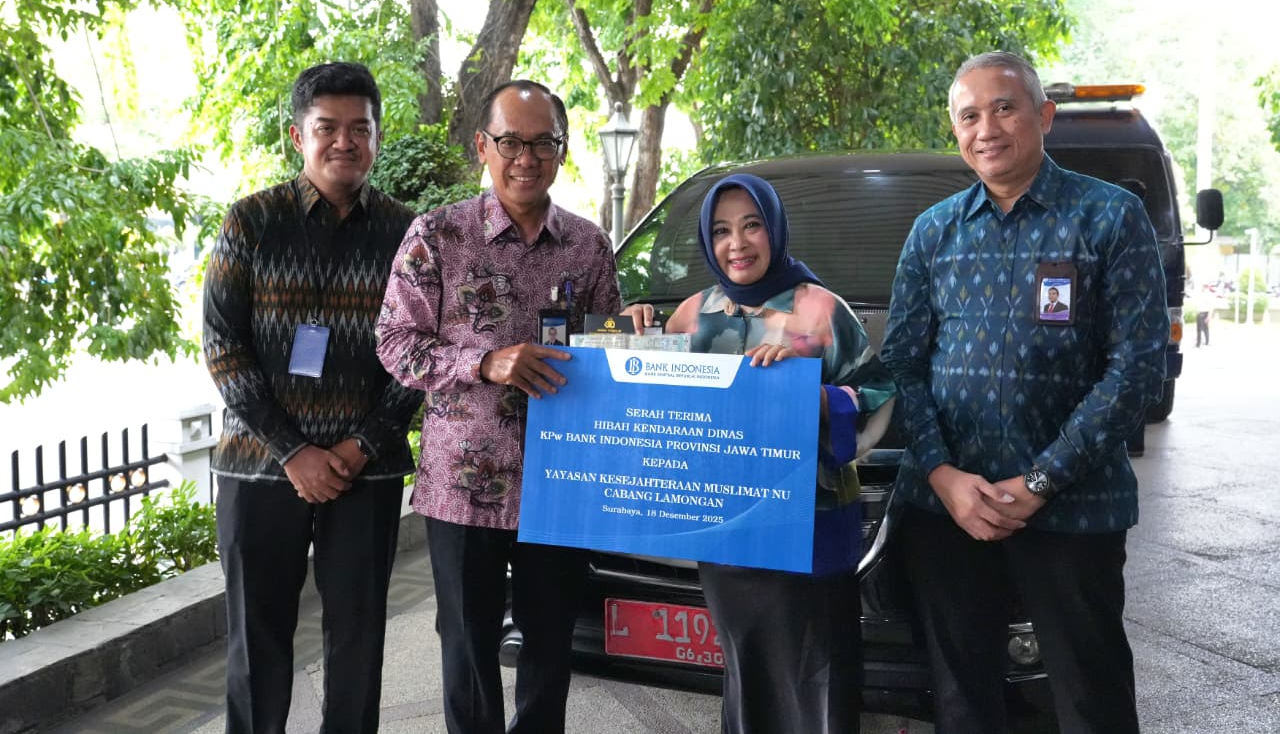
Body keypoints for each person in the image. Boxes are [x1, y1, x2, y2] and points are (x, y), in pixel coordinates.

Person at [880, 51, 1168, 734]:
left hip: (1075, 508)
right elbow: (903, 364)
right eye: (969, 115)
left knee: (1090, 697)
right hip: (948, 509)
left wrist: (1041, 480)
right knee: (961, 700)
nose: (986, 128)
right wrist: (943, 475)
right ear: (955, 130)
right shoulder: (934, 231)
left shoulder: (1110, 217)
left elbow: (1136, 368)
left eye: (1004, 108)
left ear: (1044, 115)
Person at [375, 80, 622, 734]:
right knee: (467, 640)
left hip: (560, 479)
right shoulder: (437, 235)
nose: (526, 158)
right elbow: (394, 344)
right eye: (511, 141)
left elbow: (610, 350)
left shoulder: (588, 245)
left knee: (550, 639)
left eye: (543, 143)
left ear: (562, 150)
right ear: (483, 146)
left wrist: (638, 333)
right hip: (463, 484)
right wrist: (483, 361)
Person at [630, 173, 895, 734]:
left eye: (752, 225)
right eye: (721, 230)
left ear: (774, 229)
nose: (737, 243)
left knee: (816, 675)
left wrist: (817, 397)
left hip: (811, 528)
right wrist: (629, 335)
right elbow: (650, 405)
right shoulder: (692, 314)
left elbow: (879, 396)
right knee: (747, 671)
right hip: (727, 533)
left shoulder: (821, 309)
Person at [202, 61, 422, 733]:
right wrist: (293, 450)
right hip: (260, 464)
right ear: (299, 136)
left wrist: (359, 447)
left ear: (377, 137)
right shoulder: (251, 221)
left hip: (366, 469)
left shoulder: (408, 233)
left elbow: (420, 354)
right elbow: (222, 345)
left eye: (360, 128)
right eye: (328, 127)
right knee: (256, 639)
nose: (344, 142)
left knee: (358, 637)